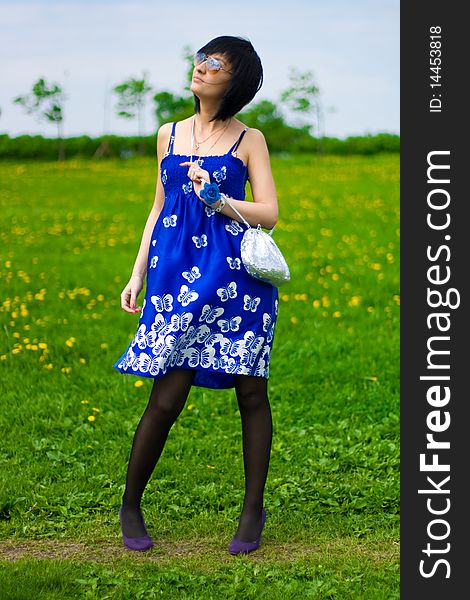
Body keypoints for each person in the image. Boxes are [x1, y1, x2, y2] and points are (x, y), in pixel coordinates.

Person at [113, 35, 279, 555]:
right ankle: (130, 503)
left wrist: (219, 198)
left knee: (250, 392)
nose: (201, 68)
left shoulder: (249, 139)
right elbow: (158, 209)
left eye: (216, 64)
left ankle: (252, 510)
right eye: (201, 59)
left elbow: (269, 213)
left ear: (237, 82)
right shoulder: (168, 133)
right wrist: (137, 273)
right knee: (167, 394)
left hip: (235, 281)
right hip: (173, 275)